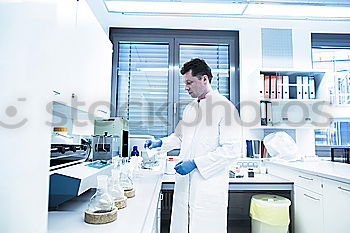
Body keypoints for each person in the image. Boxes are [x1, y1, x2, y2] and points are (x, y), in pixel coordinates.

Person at [144, 58, 242, 233]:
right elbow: (180, 137)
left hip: (207, 184)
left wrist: (196, 163)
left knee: (205, 226)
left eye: (189, 82)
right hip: (185, 184)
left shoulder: (225, 108)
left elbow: (232, 150)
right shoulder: (190, 108)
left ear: (204, 79)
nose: (186, 87)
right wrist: (161, 143)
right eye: (185, 83)